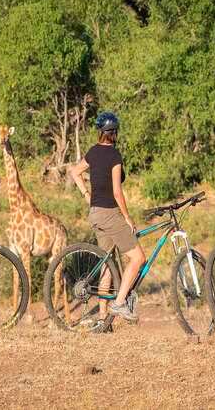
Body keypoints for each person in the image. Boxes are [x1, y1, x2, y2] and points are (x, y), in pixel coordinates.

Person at [70, 112, 146, 324]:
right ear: (113, 133)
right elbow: (117, 191)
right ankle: (119, 303)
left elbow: (75, 172)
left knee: (107, 263)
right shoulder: (114, 156)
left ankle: (103, 318)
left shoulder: (93, 152)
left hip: (95, 213)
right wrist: (128, 218)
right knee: (139, 258)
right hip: (110, 214)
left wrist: (87, 195)